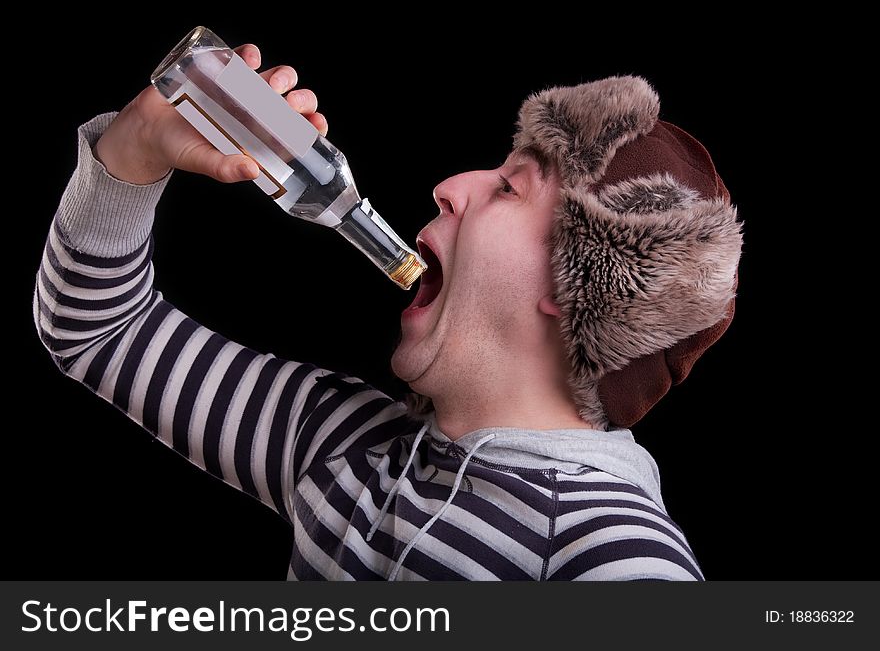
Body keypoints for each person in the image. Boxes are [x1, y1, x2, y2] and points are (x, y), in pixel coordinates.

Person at [34, 43, 742, 580]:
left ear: (575, 281)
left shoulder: (616, 558)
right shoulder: (345, 445)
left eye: (507, 188)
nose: (448, 187)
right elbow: (98, 328)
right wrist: (134, 152)